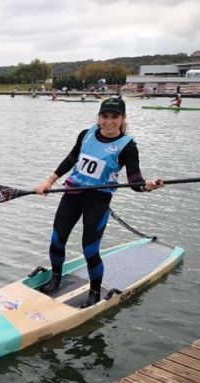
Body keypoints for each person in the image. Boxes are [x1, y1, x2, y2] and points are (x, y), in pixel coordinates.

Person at [34, 97, 164, 308]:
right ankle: (56, 278)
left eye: (115, 117)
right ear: (99, 117)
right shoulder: (86, 135)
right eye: (105, 116)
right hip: (73, 194)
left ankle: (94, 292)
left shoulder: (127, 146)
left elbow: (134, 181)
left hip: (98, 200)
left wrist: (148, 185)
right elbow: (70, 159)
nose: (109, 122)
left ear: (123, 119)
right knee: (57, 239)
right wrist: (49, 181)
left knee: (90, 250)